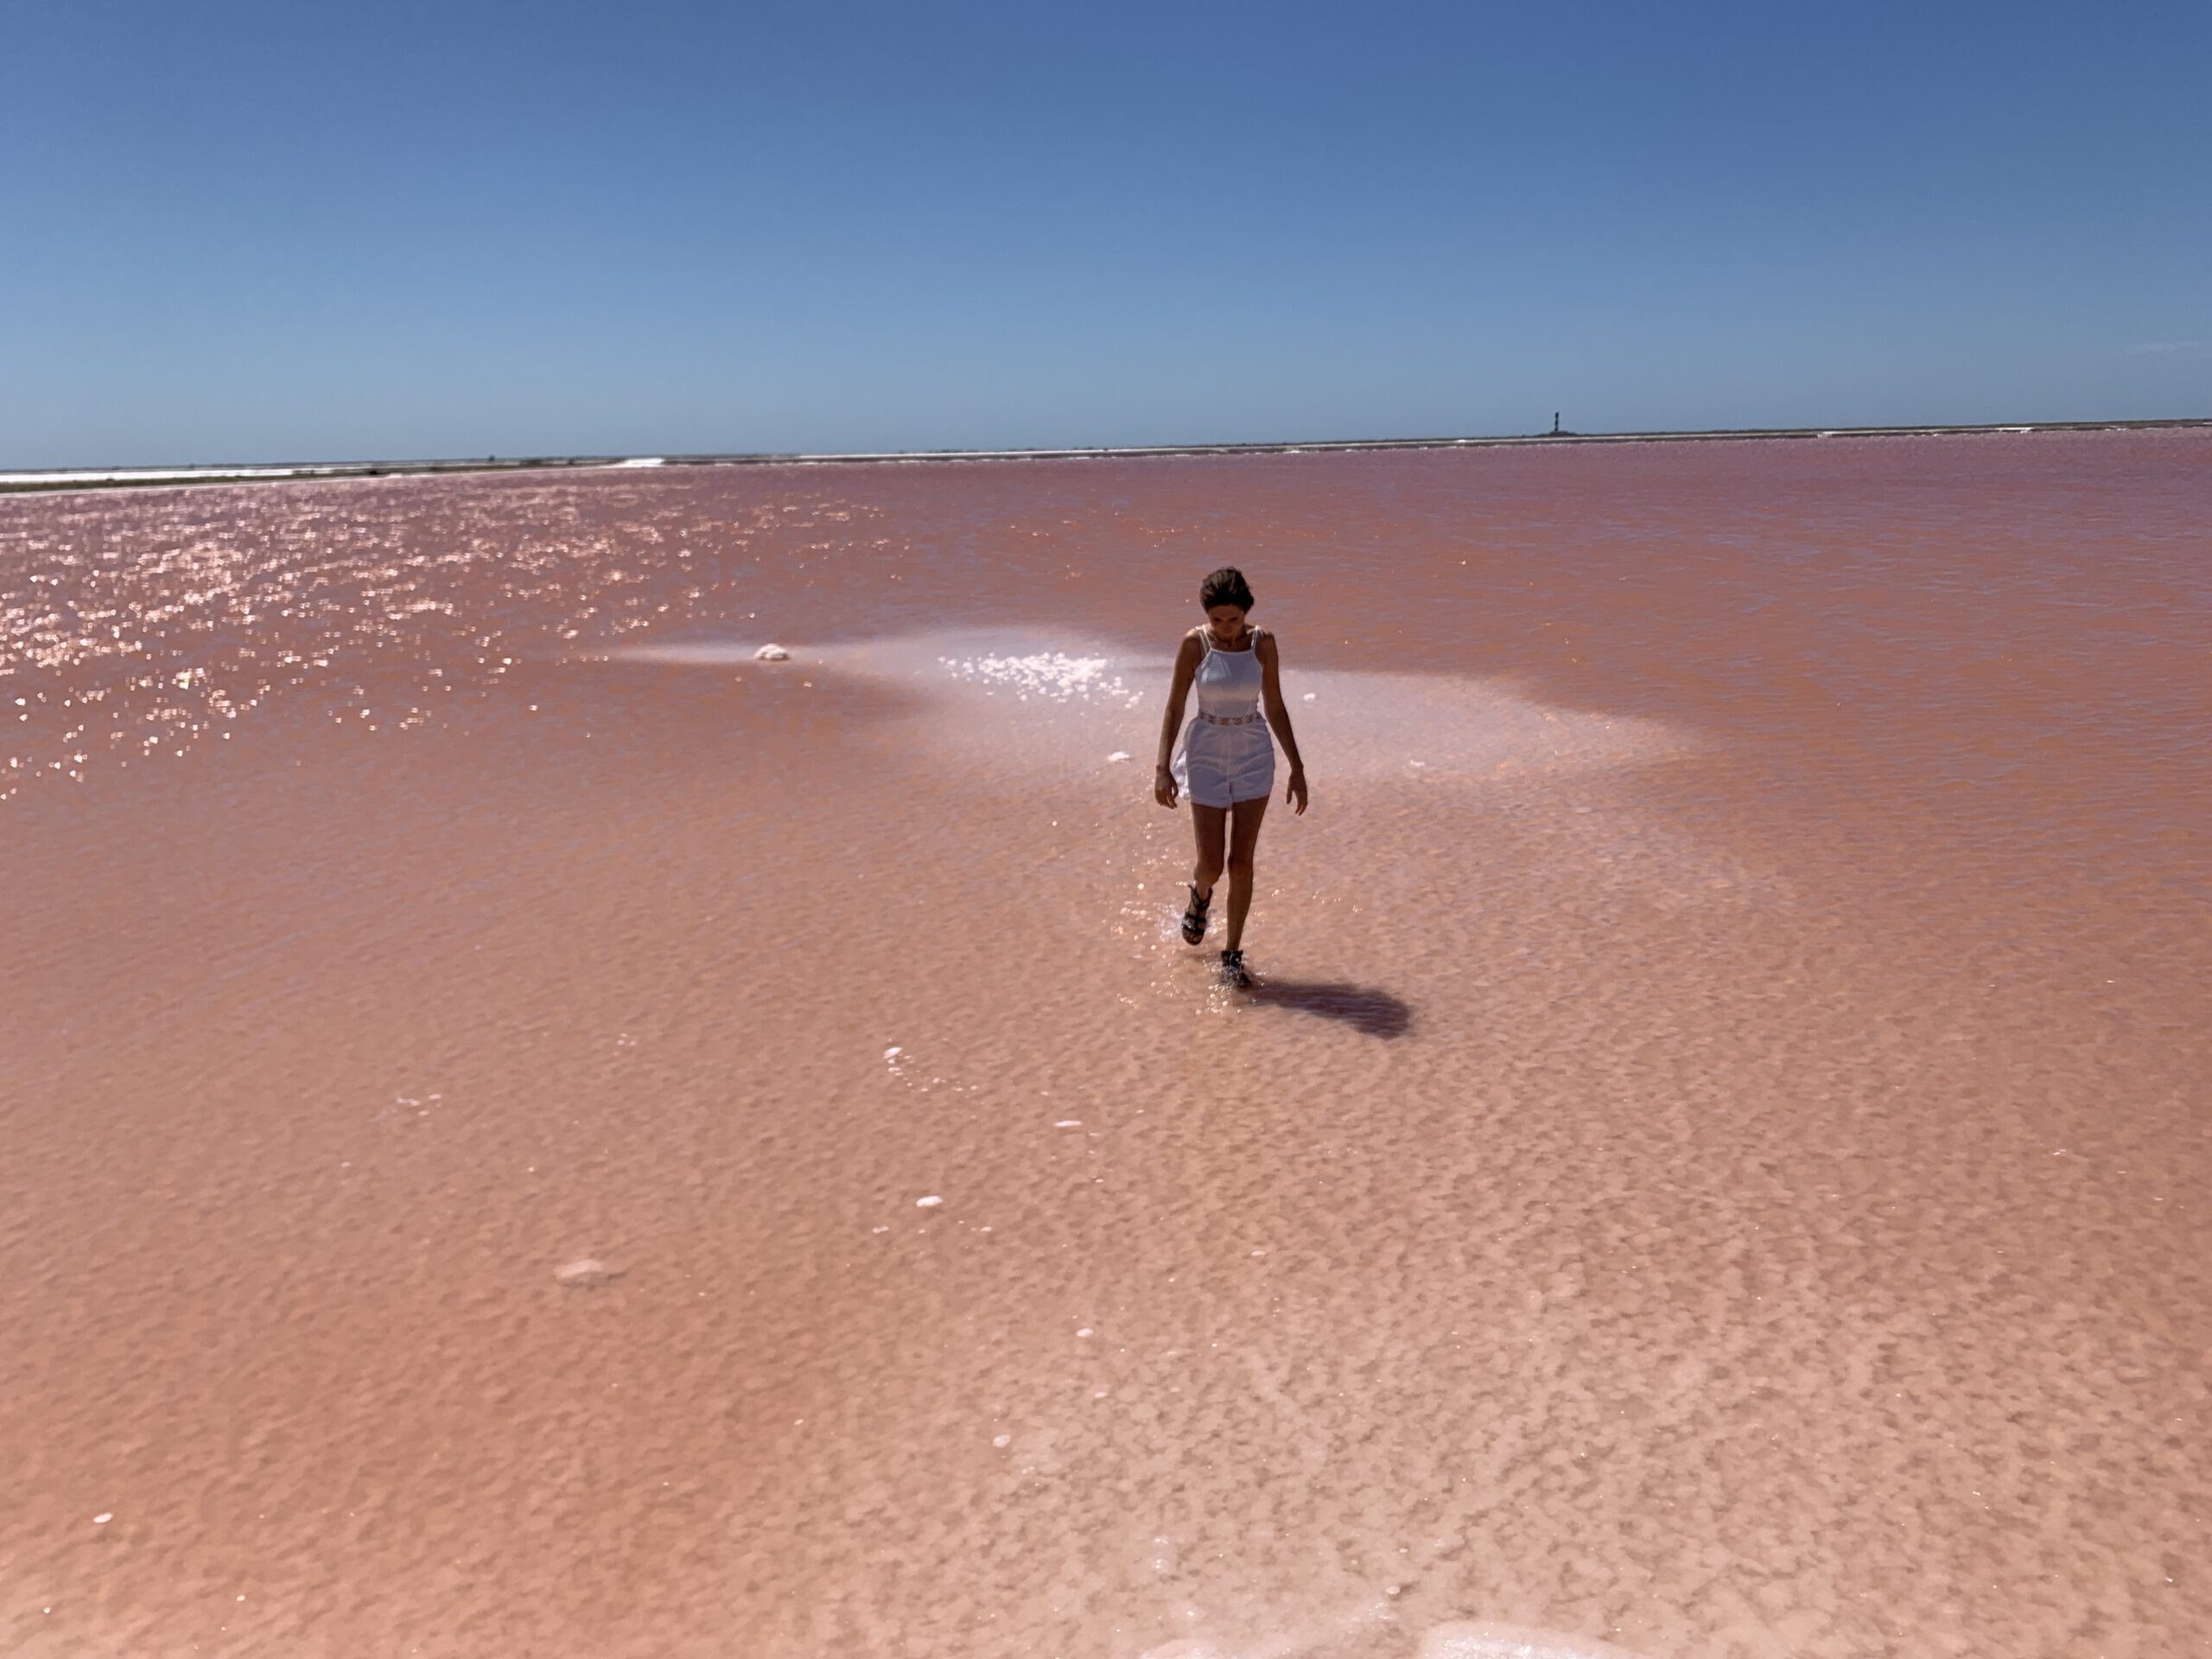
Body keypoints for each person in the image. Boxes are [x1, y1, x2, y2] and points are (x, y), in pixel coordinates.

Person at [1153, 566, 1309, 987]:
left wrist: (1297, 766)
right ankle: (1200, 895)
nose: (1224, 628)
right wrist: (1162, 767)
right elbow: (1173, 706)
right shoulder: (1195, 643)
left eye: (1233, 620)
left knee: (1241, 863)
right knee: (1212, 865)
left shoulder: (1264, 644)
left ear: (1247, 614)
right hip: (1205, 753)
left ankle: (1232, 954)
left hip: (1253, 754)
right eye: (1217, 619)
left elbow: (1275, 706)